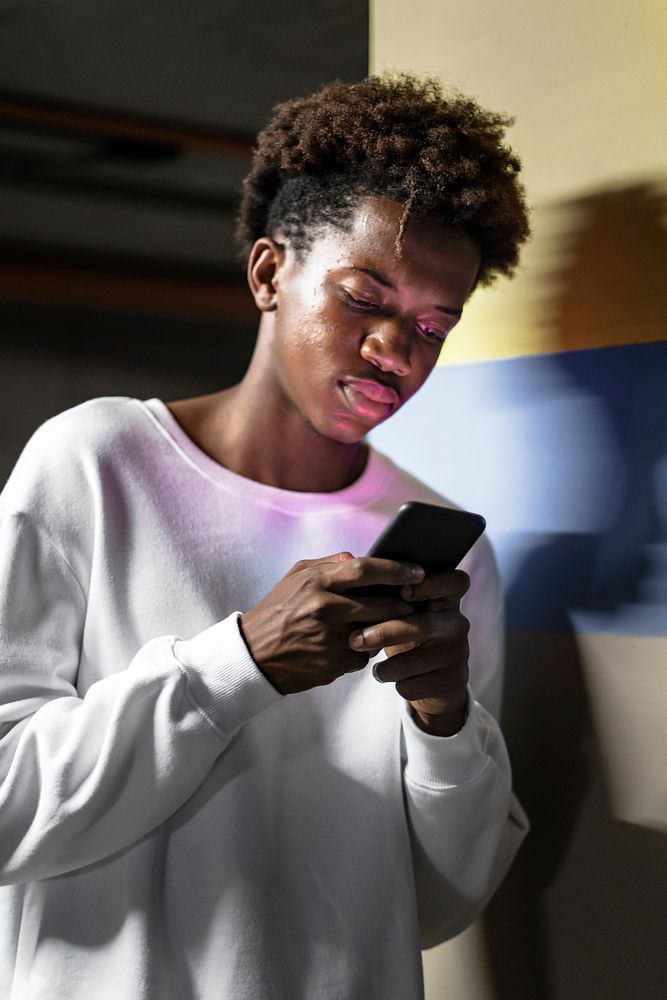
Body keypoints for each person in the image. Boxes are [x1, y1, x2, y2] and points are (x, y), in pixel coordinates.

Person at [0, 75, 530, 999]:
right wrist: (238, 664)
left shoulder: (450, 558)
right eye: (364, 298)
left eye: (432, 326)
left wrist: (445, 727)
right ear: (267, 273)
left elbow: (440, 908)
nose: (395, 351)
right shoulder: (97, 463)